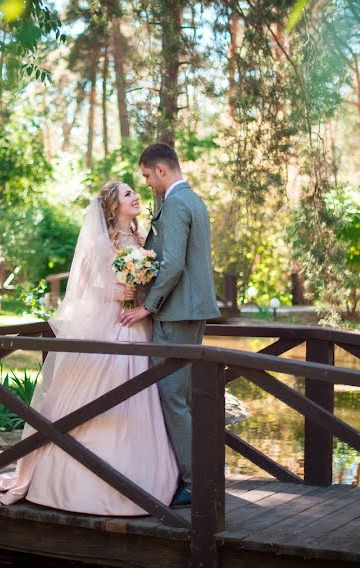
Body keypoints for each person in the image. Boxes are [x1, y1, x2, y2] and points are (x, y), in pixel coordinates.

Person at [0, 181, 179, 515]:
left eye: (135, 192)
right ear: (112, 206)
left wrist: (139, 293)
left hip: (138, 326)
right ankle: (70, 477)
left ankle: (144, 475)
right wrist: (113, 292)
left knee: (140, 398)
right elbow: (81, 288)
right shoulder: (98, 242)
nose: (136, 196)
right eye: (127, 194)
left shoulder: (142, 241)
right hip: (108, 329)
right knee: (93, 399)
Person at [119, 143, 220, 508]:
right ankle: (201, 473)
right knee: (186, 398)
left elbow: (174, 264)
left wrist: (148, 305)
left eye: (146, 176)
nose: (146, 183)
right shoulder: (193, 200)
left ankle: (195, 482)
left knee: (173, 398)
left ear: (161, 170)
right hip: (192, 311)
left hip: (176, 313)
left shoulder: (176, 203)